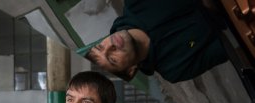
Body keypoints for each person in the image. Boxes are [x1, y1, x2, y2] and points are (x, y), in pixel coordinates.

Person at [77, 0, 228, 83]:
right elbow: (229, 49)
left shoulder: (134, 3)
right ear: (131, 70)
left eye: (100, 46)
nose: (110, 46)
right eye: (112, 59)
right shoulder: (174, 69)